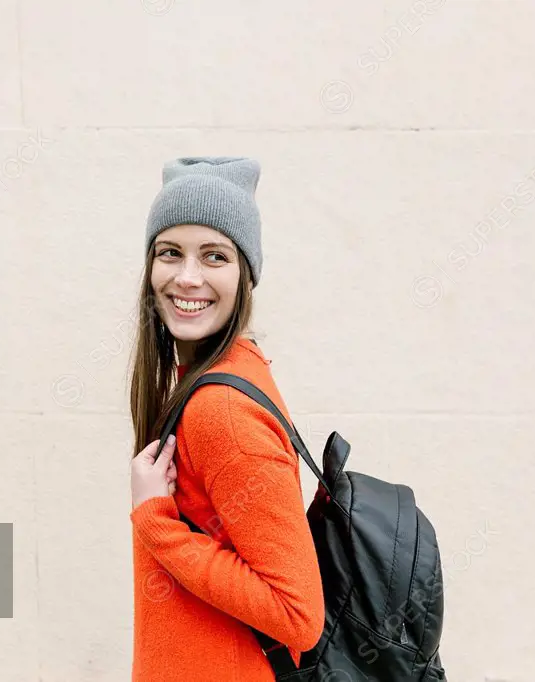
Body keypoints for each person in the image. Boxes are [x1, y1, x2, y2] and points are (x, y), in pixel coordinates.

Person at [127, 157, 325, 681]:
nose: (187, 277)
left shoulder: (222, 411)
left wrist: (156, 522)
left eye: (214, 256)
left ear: (245, 274)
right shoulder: (219, 372)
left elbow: (298, 615)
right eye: (170, 253)